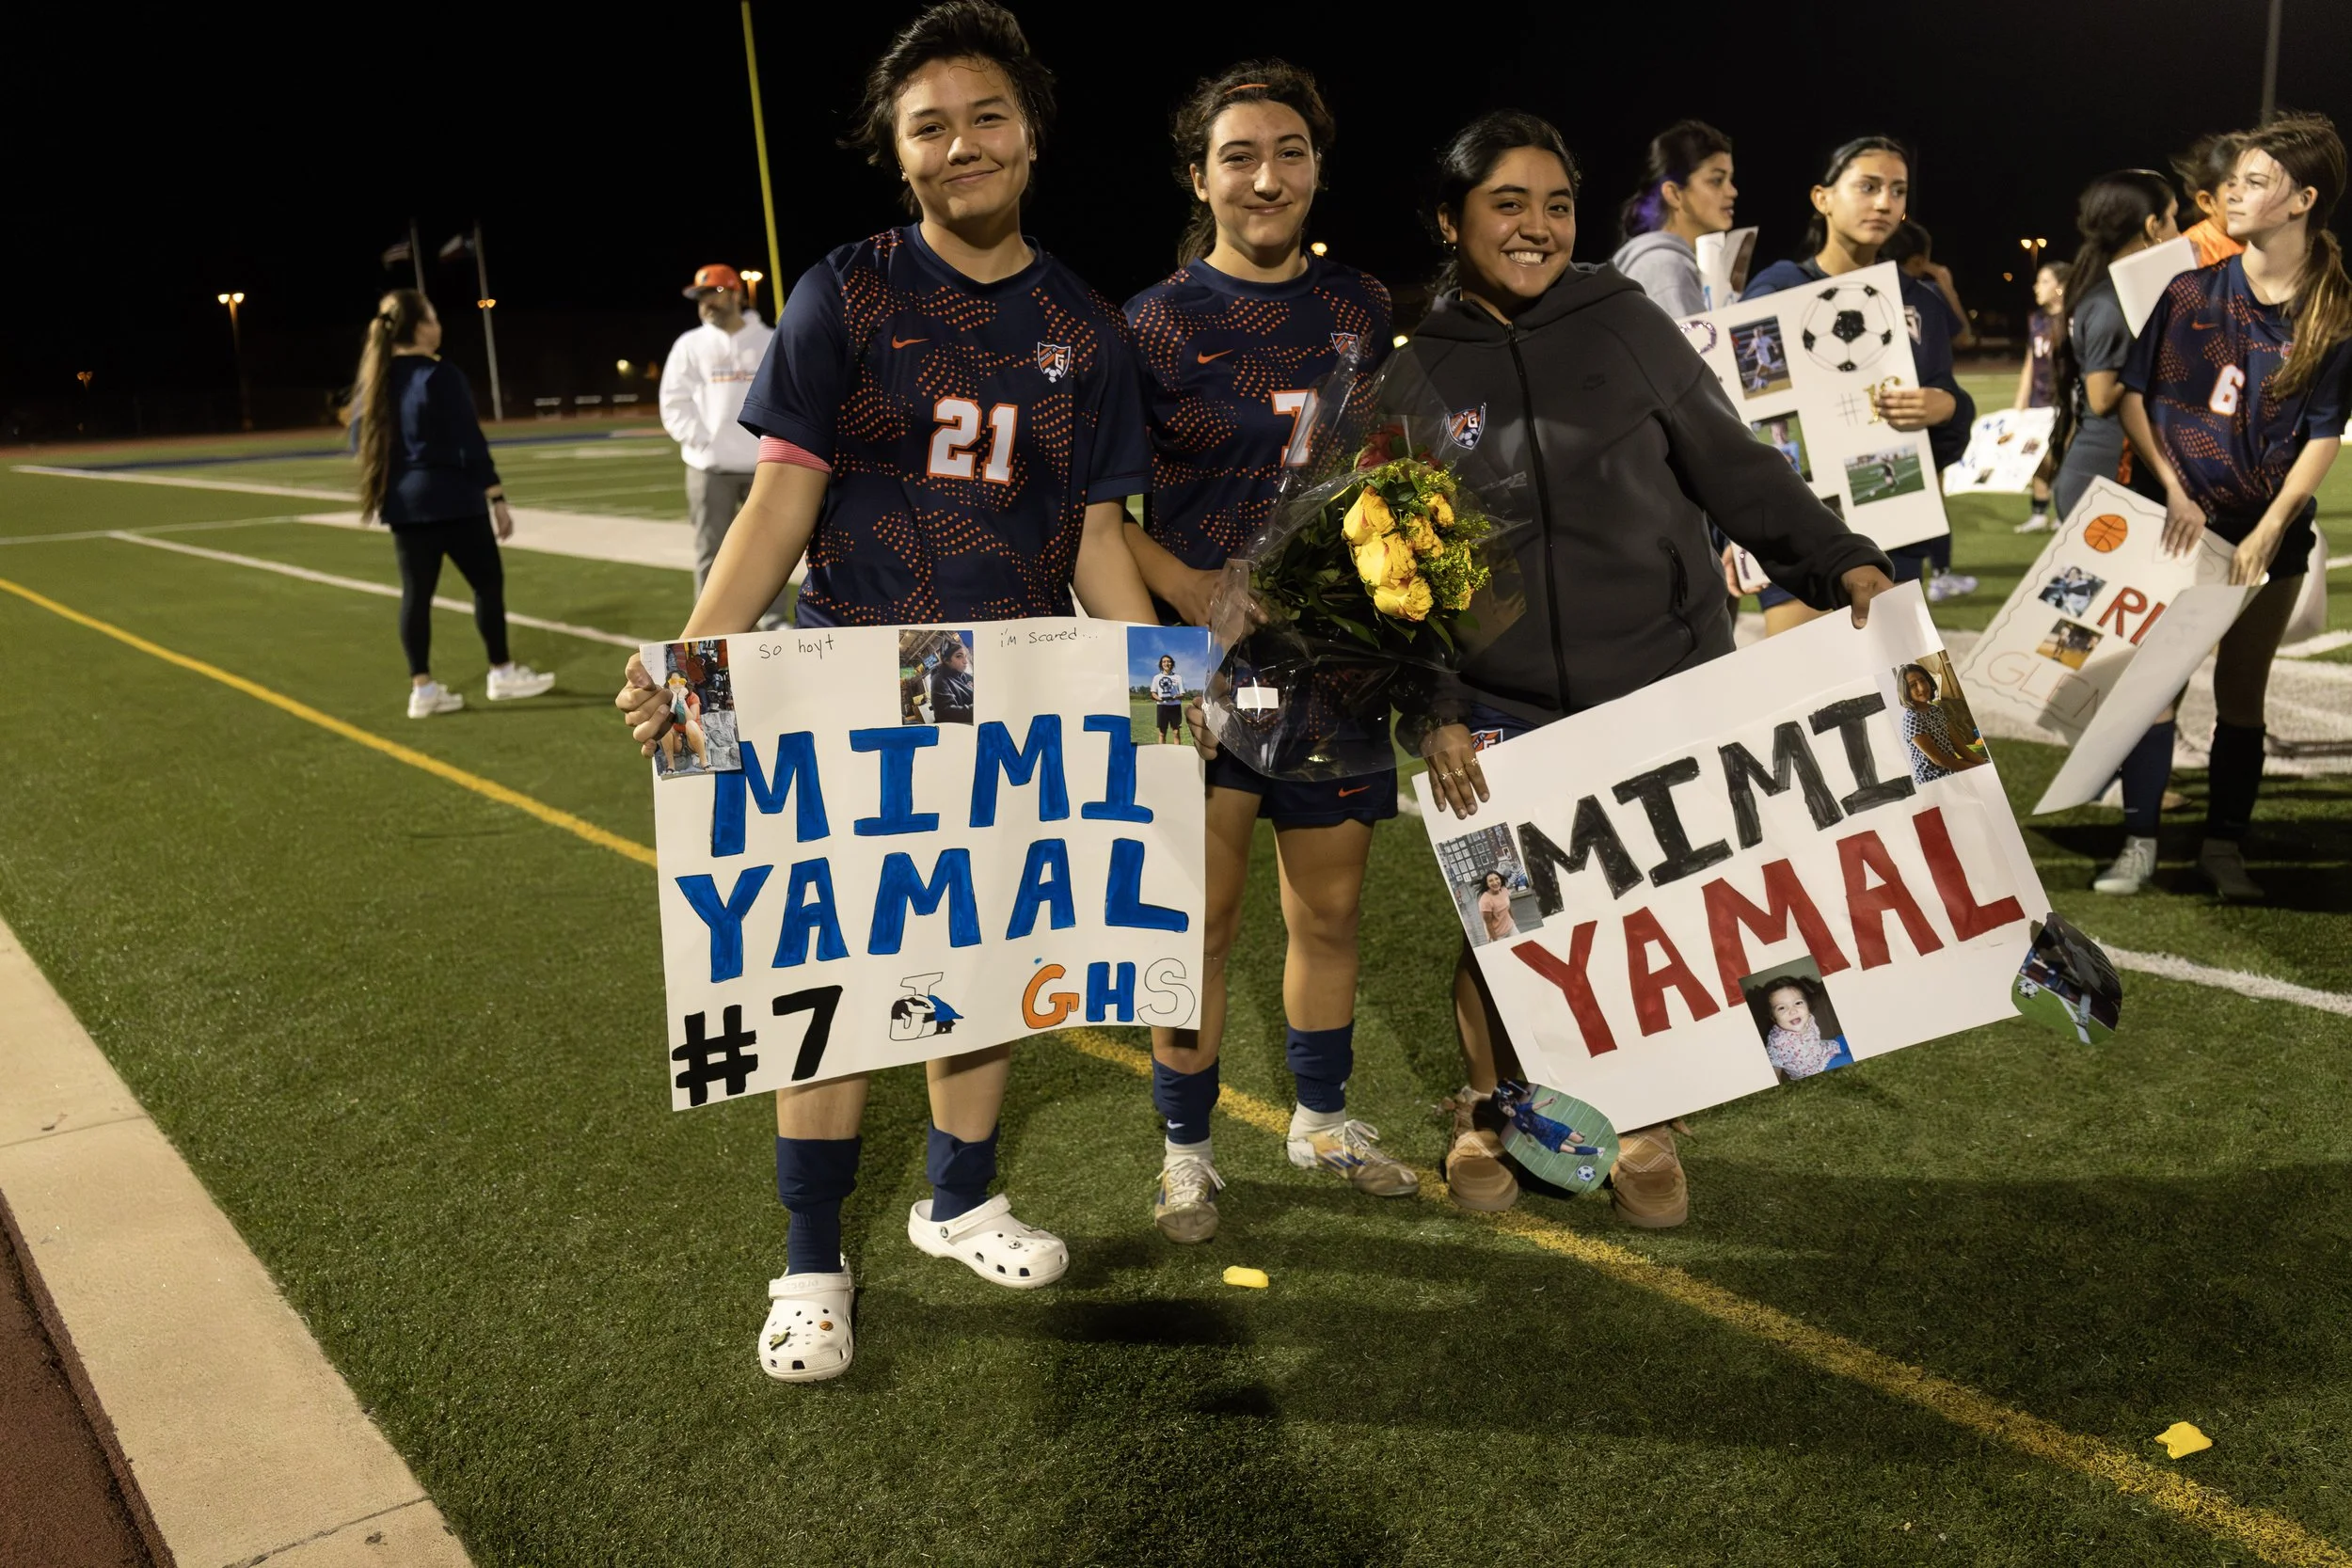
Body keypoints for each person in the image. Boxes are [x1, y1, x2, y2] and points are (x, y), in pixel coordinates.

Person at [612, 0, 1163, 1382]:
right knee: (834, 965)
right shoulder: (844, 290)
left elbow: (1098, 534)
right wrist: (692, 667)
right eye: (930, 127)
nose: (961, 144)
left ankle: (961, 1194)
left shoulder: (1087, 329)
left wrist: (1166, 686)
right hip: (856, 669)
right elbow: (780, 498)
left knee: (977, 958)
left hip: (1011, 682)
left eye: (986, 116)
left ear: (1031, 135)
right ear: (897, 156)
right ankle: (812, 1254)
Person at [1393, 110, 1896, 1223]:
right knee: (1500, 917)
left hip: (1660, 675)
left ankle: (1650, 1114)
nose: (1534, 227)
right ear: (1451, 219)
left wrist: (1841, 558)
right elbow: (1402, 573)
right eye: (1506, 204)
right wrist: (1432, 705)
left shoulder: (1623, 318)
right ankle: (1492, 1104)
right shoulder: (1416, 369)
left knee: (1655, 910)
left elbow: (1732, 464)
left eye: (1556, 204)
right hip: (1494, 701)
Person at [1121, 60, 1416, 1245]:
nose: (1266, 175)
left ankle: (1322, 1118)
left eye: (1288, 151)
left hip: (1332, 661)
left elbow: (1389, 479)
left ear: (1315, 168)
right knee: (1194, 918)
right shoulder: (1148, 321)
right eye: (1238, 155)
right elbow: (1097, 512)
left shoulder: (1360, 303)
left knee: (1330, 915)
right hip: (1185, 663)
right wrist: (1188, 599)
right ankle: (1185, 1148)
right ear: (1200, 177)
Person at [2100, 113, 2352, 901]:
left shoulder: (2334, 311)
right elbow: (2135, 397)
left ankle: (2222, 847)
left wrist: (2271, 531)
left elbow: (2324, 432)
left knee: (2243, 693)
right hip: (2174, 529)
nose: (2231, 194)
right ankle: (2139, 841)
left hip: (2264, 538)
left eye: (2253, 182)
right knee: (2154, 685)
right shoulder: (2186, 289)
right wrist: (2173, 491)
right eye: (2232, 179)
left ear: (2302, 200)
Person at [1743, 137, 1976, 626]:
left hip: (1894, 528)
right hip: (1799, 534)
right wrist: (1735, 535)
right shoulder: (1777, 290)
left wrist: (1950, 406)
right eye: (1868, 187)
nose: (1884, 202)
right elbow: (1739, 422)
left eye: (1897, 190)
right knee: (1811, 696)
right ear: (1822, 198)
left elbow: (1946, 436)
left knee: (1916, 697)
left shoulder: (1921, 303)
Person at [349, 289, 555, 718]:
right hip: (453, 499)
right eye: (434, 317)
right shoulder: (440, 375)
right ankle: (501, 672)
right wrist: (496, 494)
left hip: (404, 503)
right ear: (420, 327)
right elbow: (470, 442)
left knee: (416, 595)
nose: (439, 326)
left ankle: (421, 690)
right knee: (486, 584)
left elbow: (359, 441)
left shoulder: (376, 379)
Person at [2048, 170, 2179, 522]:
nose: (2178, 233)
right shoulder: (2111, 303)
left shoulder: (2116, 293)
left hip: (2115, 473)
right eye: (2173, 219)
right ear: (2153, 227)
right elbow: (2101, 398)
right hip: (2106, 475)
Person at [659, 263, 784, 625]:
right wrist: (704, 443)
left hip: (763, 465)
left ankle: (772, 617)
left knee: (769, 547)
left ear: (735, 294)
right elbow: (673, 401)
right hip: (709, 468)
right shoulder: (690, 345)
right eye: (700, 297)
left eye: (712, 293)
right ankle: (708, 626)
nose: (705, 304)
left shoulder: (769, 339)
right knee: (710, 551)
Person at [1609, 119, 1738, 317]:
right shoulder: (1664, 267)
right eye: (1717, 181)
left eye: (1730, 180)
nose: (1732, 192)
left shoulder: (1663, 263)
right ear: (1674, 194)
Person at [2014, 259, 2071, 532]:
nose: (2037, 286)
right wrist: (2020, 401)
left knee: (2063, 457)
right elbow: (2030, 361)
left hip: (2065, 401)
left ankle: (2063, 512)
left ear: (2060, 287)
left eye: (2044, 281)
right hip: (2040, 400)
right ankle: (2038, 512)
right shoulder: (2036, 319)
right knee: (2036, 455)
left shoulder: (2074, 317)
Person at [2173, 132, 2248, 269]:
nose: (2255, 198)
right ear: (2207, 202)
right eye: (2236, 186)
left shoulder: (2269, 241)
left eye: (2259, 183)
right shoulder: (2188, 255)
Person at [1894, 661, 1977, 783]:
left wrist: (1982, 763)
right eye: (1913, 685)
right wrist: (1974, 768)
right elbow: (1939, 760)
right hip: (1933, 778)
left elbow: (1959, 746)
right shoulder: (1911, 719)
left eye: (1923, 681)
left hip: (1952, 770)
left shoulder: (1936, 710)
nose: (1922, 687)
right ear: (1905, 691)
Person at [1757, 978, 1852, 1080]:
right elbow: (1775, 1069)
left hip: (1824, 1050)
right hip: (1816, 1070)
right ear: (1773, 1017)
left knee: (1847, 1039)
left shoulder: (1808, 1018)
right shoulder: (1777, 1045)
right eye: (1782, 1008)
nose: (1793, 1011)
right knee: (1848, 1060)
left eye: (1798, 1003)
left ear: (1807, 1005)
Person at [1150, 653, 1184, 742]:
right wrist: (1159, 698)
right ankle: (1161, 754)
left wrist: (1175, 697)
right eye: (1164, 661)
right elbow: (1153, 693)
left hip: (1175, 707)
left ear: (1172, 663)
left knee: (1176, 733)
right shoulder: (1156, 678)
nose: (1166, 663)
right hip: (1162, 707)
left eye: (1168, 661)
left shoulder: (1178, 677)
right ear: (1161, 664)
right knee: (1162, 733)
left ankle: (1177, 754)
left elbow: (1182, 695)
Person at [1474, 870, 1515, 942]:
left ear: (1500, 879)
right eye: (1491, 881)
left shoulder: (1504, 890)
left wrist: (1513, 921)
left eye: (1496, 879)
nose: (1495, 883)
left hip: (1511, 928)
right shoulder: (1485, 901)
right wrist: (1496, 941)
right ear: (1487, 884)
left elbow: (1508, 908)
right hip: (1498, 935)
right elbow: (1488, 923)